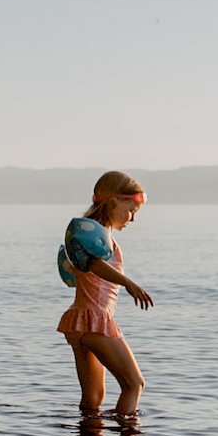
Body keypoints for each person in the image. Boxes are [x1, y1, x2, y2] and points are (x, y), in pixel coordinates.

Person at [57, 171, 154, 415]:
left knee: (93, 397)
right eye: (130, 210)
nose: (132, 219)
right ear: (113, 202)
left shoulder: (88, 234)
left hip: (77, 322)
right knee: (134, 384)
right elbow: (93, 264)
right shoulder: (95, 236)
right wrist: (128, 283)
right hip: (94, 321)